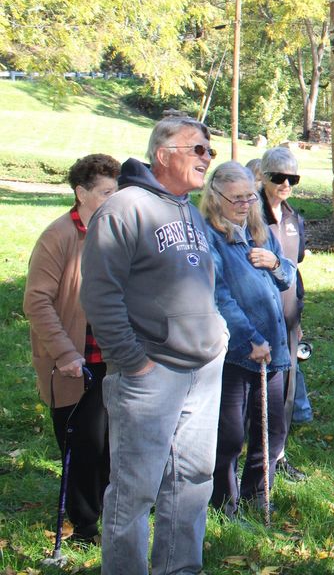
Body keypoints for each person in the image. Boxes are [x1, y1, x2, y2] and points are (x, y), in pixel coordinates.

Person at [82, 117, 229, 575]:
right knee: (134, 491)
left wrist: (218, 334)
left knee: (193, 481)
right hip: (150, 374)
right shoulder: (125, 208)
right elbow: (99, 293)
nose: (208, 158)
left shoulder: (187, 208)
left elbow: (203, 282)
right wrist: (132, 360)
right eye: (199, 150)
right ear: (164, 154)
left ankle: (180, 568)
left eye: (210, 151)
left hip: (203, 371)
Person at [22, 153, 120, 545]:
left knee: (112, 444)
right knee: (82, 447)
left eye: (118, 192)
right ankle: (84, 527)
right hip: (75, 363)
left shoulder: (116, 232)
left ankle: (113, 514)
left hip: (115, 358)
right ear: (81, 193)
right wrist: (64, 353)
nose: (114, 200)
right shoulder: (58, 236)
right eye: (105, 192)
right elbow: (37, 302)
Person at [201, 161, 295, 516]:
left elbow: (288, 278)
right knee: (229, 435)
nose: (245, 204)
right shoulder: (209, 237)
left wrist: (274, 263)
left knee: (270, 431)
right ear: (216, 197)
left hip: (274, 349)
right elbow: (219, 296)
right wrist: (249, 339)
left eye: (249, 197)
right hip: (236, 353)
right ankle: (224, 503)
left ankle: (258, 496)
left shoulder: (261, 232)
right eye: (236, 198)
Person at [258, 146, 310, 479]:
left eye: (292, 177)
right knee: (258, 394)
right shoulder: (250, 215)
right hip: (259, 320)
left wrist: (299, 321)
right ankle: (252, 465)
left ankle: (277, 456)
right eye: (278, 177)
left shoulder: (293, 217)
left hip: (288, 320)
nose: (285, 183)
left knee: (287, 392)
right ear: (262, 177)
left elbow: (296, 268)